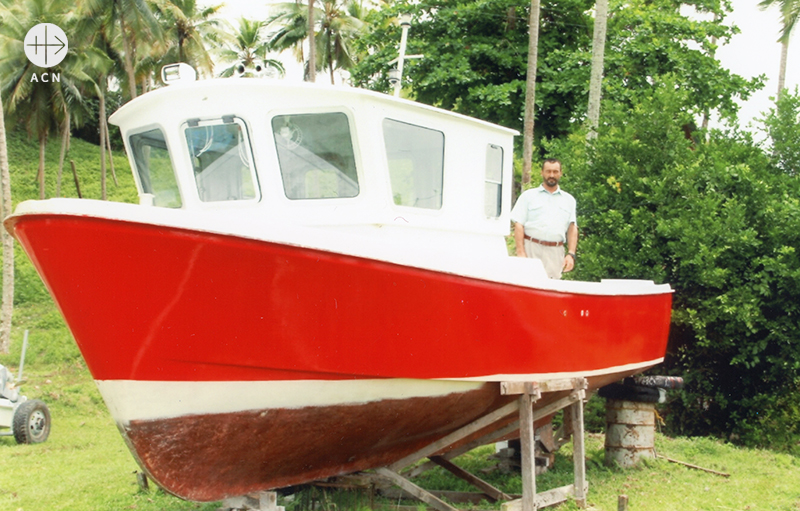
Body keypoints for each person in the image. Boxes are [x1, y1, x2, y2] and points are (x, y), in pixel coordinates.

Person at [510, 158, 578, 279]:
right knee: (527, 285)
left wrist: (571, 254)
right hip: (531, 248)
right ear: (542, 172)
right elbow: (519, 224)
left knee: (550, 290)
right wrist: (521, 252)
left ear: (561, 173)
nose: (551, 175)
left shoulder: (569, 200)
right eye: (548, 171)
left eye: (555, 171)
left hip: (555, 252)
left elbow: (572, 227)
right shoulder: (528, 196)